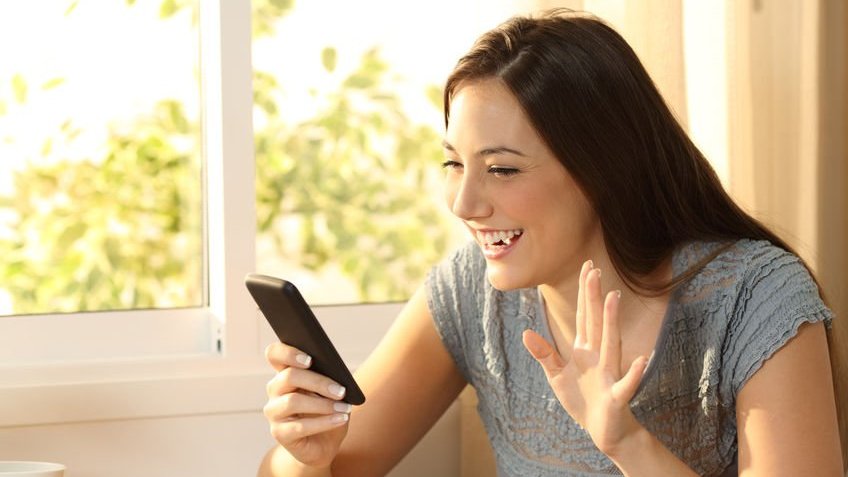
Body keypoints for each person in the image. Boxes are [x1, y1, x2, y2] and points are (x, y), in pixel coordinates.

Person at [258, 9, 845, 477]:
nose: (465, 204)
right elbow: (324, 470)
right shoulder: (473, 293)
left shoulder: (757, 298)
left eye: (503, 170)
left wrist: (627, 443)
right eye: (454, 163)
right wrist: (305, 459)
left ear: (601, 170)